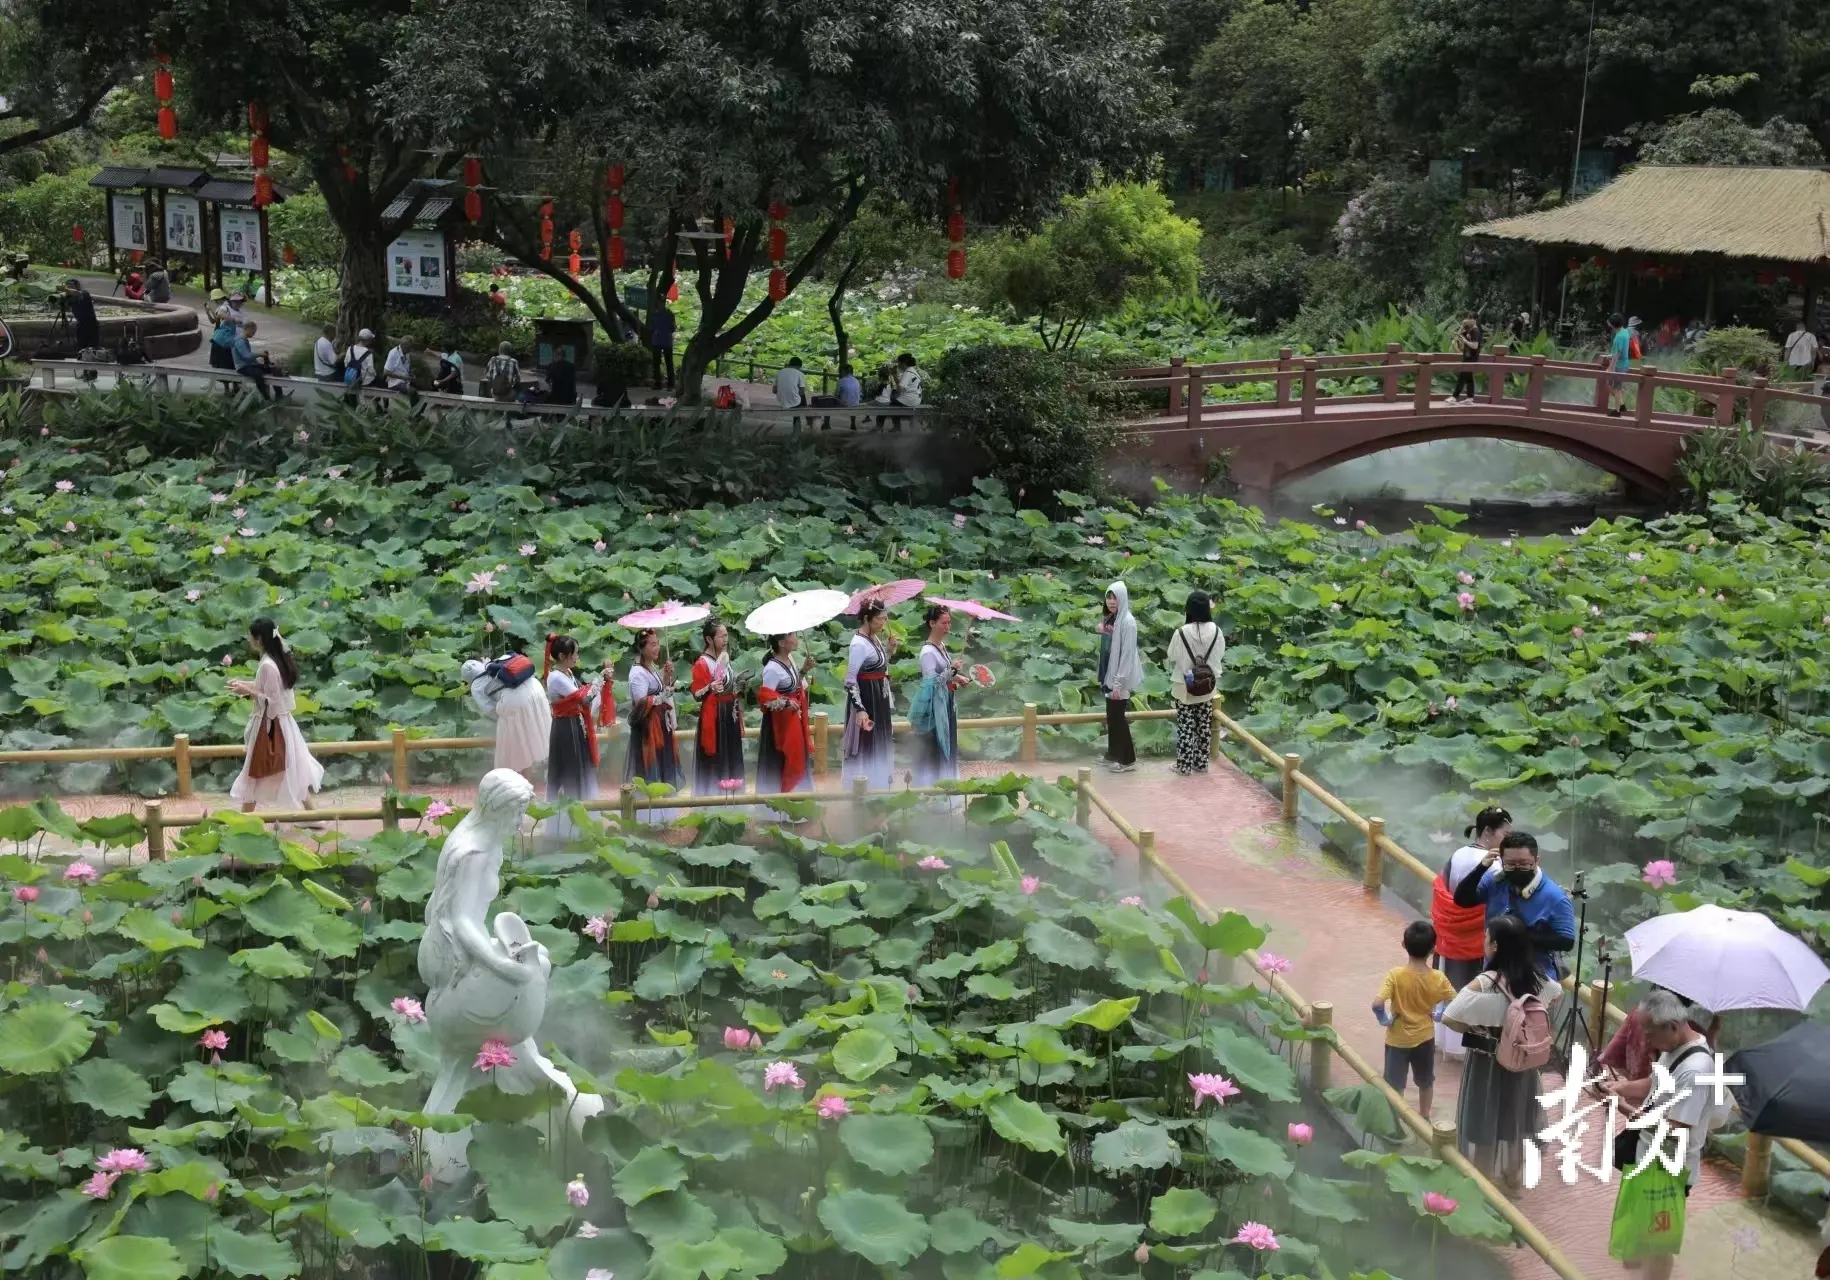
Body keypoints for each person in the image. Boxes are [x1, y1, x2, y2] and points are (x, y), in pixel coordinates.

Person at [1599, 989, 1736, 1277]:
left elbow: (1676, 1129)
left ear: (1672, 1027)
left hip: (1669, 1170)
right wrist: (1622, 1088)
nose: (1645, 1039)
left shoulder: (1696, 1072)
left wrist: (1624, 1109)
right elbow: (1656, 1082)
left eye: (1649, 1033)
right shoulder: (1680, 1047)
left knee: (1659, 1244)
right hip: (1648, 1157)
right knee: (1641, 1235)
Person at [1442, 914, 1562, 1188]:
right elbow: (1556, 994)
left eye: (1486, 938)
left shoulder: (1485, 983)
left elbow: (1450, 1015)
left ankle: (1483, 1184)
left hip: (1488, 1062)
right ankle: (1514, 1178)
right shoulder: (1538, 980)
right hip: (1523, 1061)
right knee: (1516, 1119)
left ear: (1495, 946)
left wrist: (1477, 1031)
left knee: (1485, 1121)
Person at [1433, 806, 1511, 1059]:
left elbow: (1448, 890)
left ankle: (1444, 1040)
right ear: (1488, 832)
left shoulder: (1457, 854)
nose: (1508, 838)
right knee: (1471, 988)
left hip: (1450, 929)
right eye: (1505, 833)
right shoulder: (1494, 864)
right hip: (1476, 933)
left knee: (1449, 982)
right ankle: (1462, 1049)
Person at [227, 617, 324, 813]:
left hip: (271, 726)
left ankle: (244, 820)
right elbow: (269, 689)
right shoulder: (273, 661)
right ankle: (314, 816)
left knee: (255, 771)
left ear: (259, 639)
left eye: (250, 636)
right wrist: (244, 685)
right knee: (291, 770)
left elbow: (273, 701)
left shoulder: (267, 665)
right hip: (282, 724)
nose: (248, 639)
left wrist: (247, 692)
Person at [1451, 830, 1577, 979]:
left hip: (1535, 977)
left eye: (1524, 864)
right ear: (1501, 861)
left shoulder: (1555, 897)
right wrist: (1481, 868)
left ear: (1536, 861)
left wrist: (1518, 937)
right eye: (1510, 864)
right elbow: (1462, 900)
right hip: (1494, 972)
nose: (1517, 869)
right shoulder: (1494, 880)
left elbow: (1566, 941)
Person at [1374, 920, 1458, 1122]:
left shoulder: (1394, 976)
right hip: (1425, 1037)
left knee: (1395, 1085)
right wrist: (1438, 1013)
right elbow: (1456, 1001)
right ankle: (1424, 1116)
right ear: (1433, 948)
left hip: (1397, 1040)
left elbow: (1377, 1003)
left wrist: (1385, 1020)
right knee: (1426, 1081)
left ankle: (1395, 1121)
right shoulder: (1438, 978)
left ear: (1404, 944)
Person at [543, 633, 614, 842]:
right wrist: (600, 678)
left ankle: (582, 822)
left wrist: (600, 682)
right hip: (565, 729)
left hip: (576, 726)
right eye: (575, 653)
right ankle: (567, 828)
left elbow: (583, 696)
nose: (577, 657)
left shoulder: (567, 673)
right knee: (569, 773)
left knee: (580, 771)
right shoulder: (556, 677)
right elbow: (583, 697)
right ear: (563, 655)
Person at [461, 648, 551, 779]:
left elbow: (490, 709)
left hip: (514, 702)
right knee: (530, 737)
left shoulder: (476, 685)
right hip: (536, 690)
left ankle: (515, 784)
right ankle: (530, 779)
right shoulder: (495, 665)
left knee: (512, 748)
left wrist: (503, 721)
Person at [624, 629, 682, 821]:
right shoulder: (637, 673)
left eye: (658, 643)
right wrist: (662, 697)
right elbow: (641, 702)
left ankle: (664, 814)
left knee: (662, 766)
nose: (657, 648)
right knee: (649, 770)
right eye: (652, 644)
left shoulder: (652, 668)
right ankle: (648, 817)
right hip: (647, 731)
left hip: (660, 727)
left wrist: (666, 677)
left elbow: (661, 691)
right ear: (641, 647)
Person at [1166, 590, 1222, 775]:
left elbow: (1171, 656)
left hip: (1185, 685)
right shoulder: (1217, 631)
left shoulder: (1181, 632)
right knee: (1203, 726)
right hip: (1207, 685)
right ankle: (1201, 764)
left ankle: (1184, 766)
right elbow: (1220, 654)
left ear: (1188, 609)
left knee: (1185, 726)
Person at [910, 603, 967, 787]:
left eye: (949, 623)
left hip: (947, 703)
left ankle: (948, 787)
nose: (947, 627)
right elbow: (931, 683)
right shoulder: (927, 652)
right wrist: (952, 670)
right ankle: (933, 790)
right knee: (936, 747)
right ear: (932, 623)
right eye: (944, 623)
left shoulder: (941, 646)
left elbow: (945, 675)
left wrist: (958, 678)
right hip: (935, 708)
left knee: (948, 744)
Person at [842, 599, 895, 789]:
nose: (883, 623)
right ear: (867, 618)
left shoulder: (875, 638)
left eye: (884, 618)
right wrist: (860, 709)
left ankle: (880, 783)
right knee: (867, 744)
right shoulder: (858, 644)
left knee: (880, 740)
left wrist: (888, 651)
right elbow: (850, 680)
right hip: (866, 699)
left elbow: (878, 668)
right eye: (880, 619)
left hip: (879, 697)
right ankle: (864, 789)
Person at [756, 632, 816, 798]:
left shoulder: (791, 660)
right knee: (782, 762)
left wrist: (804, 670)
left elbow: (795, 687)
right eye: (792, 636)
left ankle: (800, 801)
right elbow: (766, 700)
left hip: (793, 720)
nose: (796, 639)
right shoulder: (772, 669)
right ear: (782, 643)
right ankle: (777, 807)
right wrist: (786, 703)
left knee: (798, 758)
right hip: (779, 726)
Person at [690, 619, 745, 796]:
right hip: (714, 718)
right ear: (709, 639)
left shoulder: (725, 658)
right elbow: (696, 694)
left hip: (729, 714)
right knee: (716, 758)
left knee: (731, 755)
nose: (725, 639)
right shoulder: (702, 663)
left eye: (726, 635)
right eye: (721, 636)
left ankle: (733, 796)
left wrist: (738, 685)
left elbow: (729, 686)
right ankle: (713, 800)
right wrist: (710, 687)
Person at [1100, 581, 1143, 772]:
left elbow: (1126, 655)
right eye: (1109, 597)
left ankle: (1127, 760)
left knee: (1118, 718)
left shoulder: (1128, 622)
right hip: (1111, 674)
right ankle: (1113, 755)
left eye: (1115, 597)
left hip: (1121, 678)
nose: (1111, 601)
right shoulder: (1114, 619)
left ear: (1122, 598)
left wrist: (1118, 683)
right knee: (1111, 716)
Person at [232, 322, 273, 401]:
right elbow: (247, 355)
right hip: (242, 367)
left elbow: (250, 358)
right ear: (247, 329)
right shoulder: (240, 341)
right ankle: (265, 397)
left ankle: (279, 395)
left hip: (248, 365)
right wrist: (260, 354)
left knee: (270, 369)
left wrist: (258, 363)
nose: (254, 334)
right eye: (253, 332)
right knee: (258, 374)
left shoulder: (245, 340)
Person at [1608, 312, 1633, 416]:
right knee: (1612, 386)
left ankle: (1617, 411)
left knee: (1616, 389)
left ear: (1612, 324)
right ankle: (1621, 405)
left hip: (1619, 365)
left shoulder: (1619, 337)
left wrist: (1611, 367)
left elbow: (1618, 353)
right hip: (1624, 364)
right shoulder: (1625, 332)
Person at [1452, 314, 1482, 402]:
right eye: (1467, 318)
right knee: (1469, 378)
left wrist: (1465, 341)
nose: (1467, 320)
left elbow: (1475, 346)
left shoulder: (1475, 331)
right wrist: (1462, 326)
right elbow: (1458, 336)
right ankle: (1470, 398)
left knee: (1462, 377)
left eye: (1470, 319)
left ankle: (1454, 397)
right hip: (1467, 357)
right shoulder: (1469, 330)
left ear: (1474, 320)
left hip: (1472, 358)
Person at [774, 356, 809, 429]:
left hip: (781, 400)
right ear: (799, 366)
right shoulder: (800, 374)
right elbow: (802, 392)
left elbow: (774, 390)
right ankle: (808, 417)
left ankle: (805, 418)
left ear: (789, 364)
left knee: (796, 397)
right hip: (795, 402)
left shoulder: (780, 372)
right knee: (801, 398)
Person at [65, 278, 100, 351]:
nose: (69, 288)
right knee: (82, 348)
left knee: (93, 348)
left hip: (91, 325)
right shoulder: (70, 298)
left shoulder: (84, 293)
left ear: (77, 286)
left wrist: (65, 289)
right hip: (80, 325)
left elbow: (77, 293)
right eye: (68, 286)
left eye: (71, 286)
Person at [649, 299, 676, 389]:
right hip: (658, 341)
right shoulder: (656, 315)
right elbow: (652, 328)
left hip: (664, 340)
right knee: (657, 363)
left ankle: (670, 383)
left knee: (668, 363)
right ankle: (658, 383)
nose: (660, 304)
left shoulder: (668, 314)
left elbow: (673, 327)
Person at [207, 304, 239, 371]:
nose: (216, 301)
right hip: (219, 336)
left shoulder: (226, 307)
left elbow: (219, 316)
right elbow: (214, 320)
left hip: (225, 337)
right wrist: (208, 311)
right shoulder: (221, 307)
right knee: (219, 362)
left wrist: (233, 319)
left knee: (225, 361)